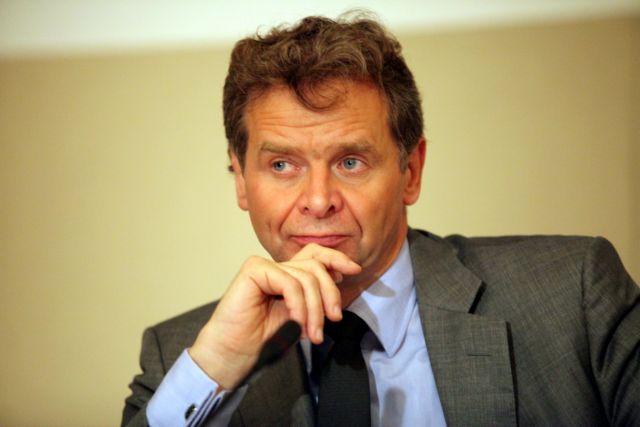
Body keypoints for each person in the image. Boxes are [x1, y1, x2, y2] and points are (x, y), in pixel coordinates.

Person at [122, 13, 640, 427]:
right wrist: (216, 369)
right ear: (240, 181)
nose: (318, 201)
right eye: (281, 165)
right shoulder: (183, 357)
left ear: (410, 171)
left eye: (350, 162)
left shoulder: (573, 295)